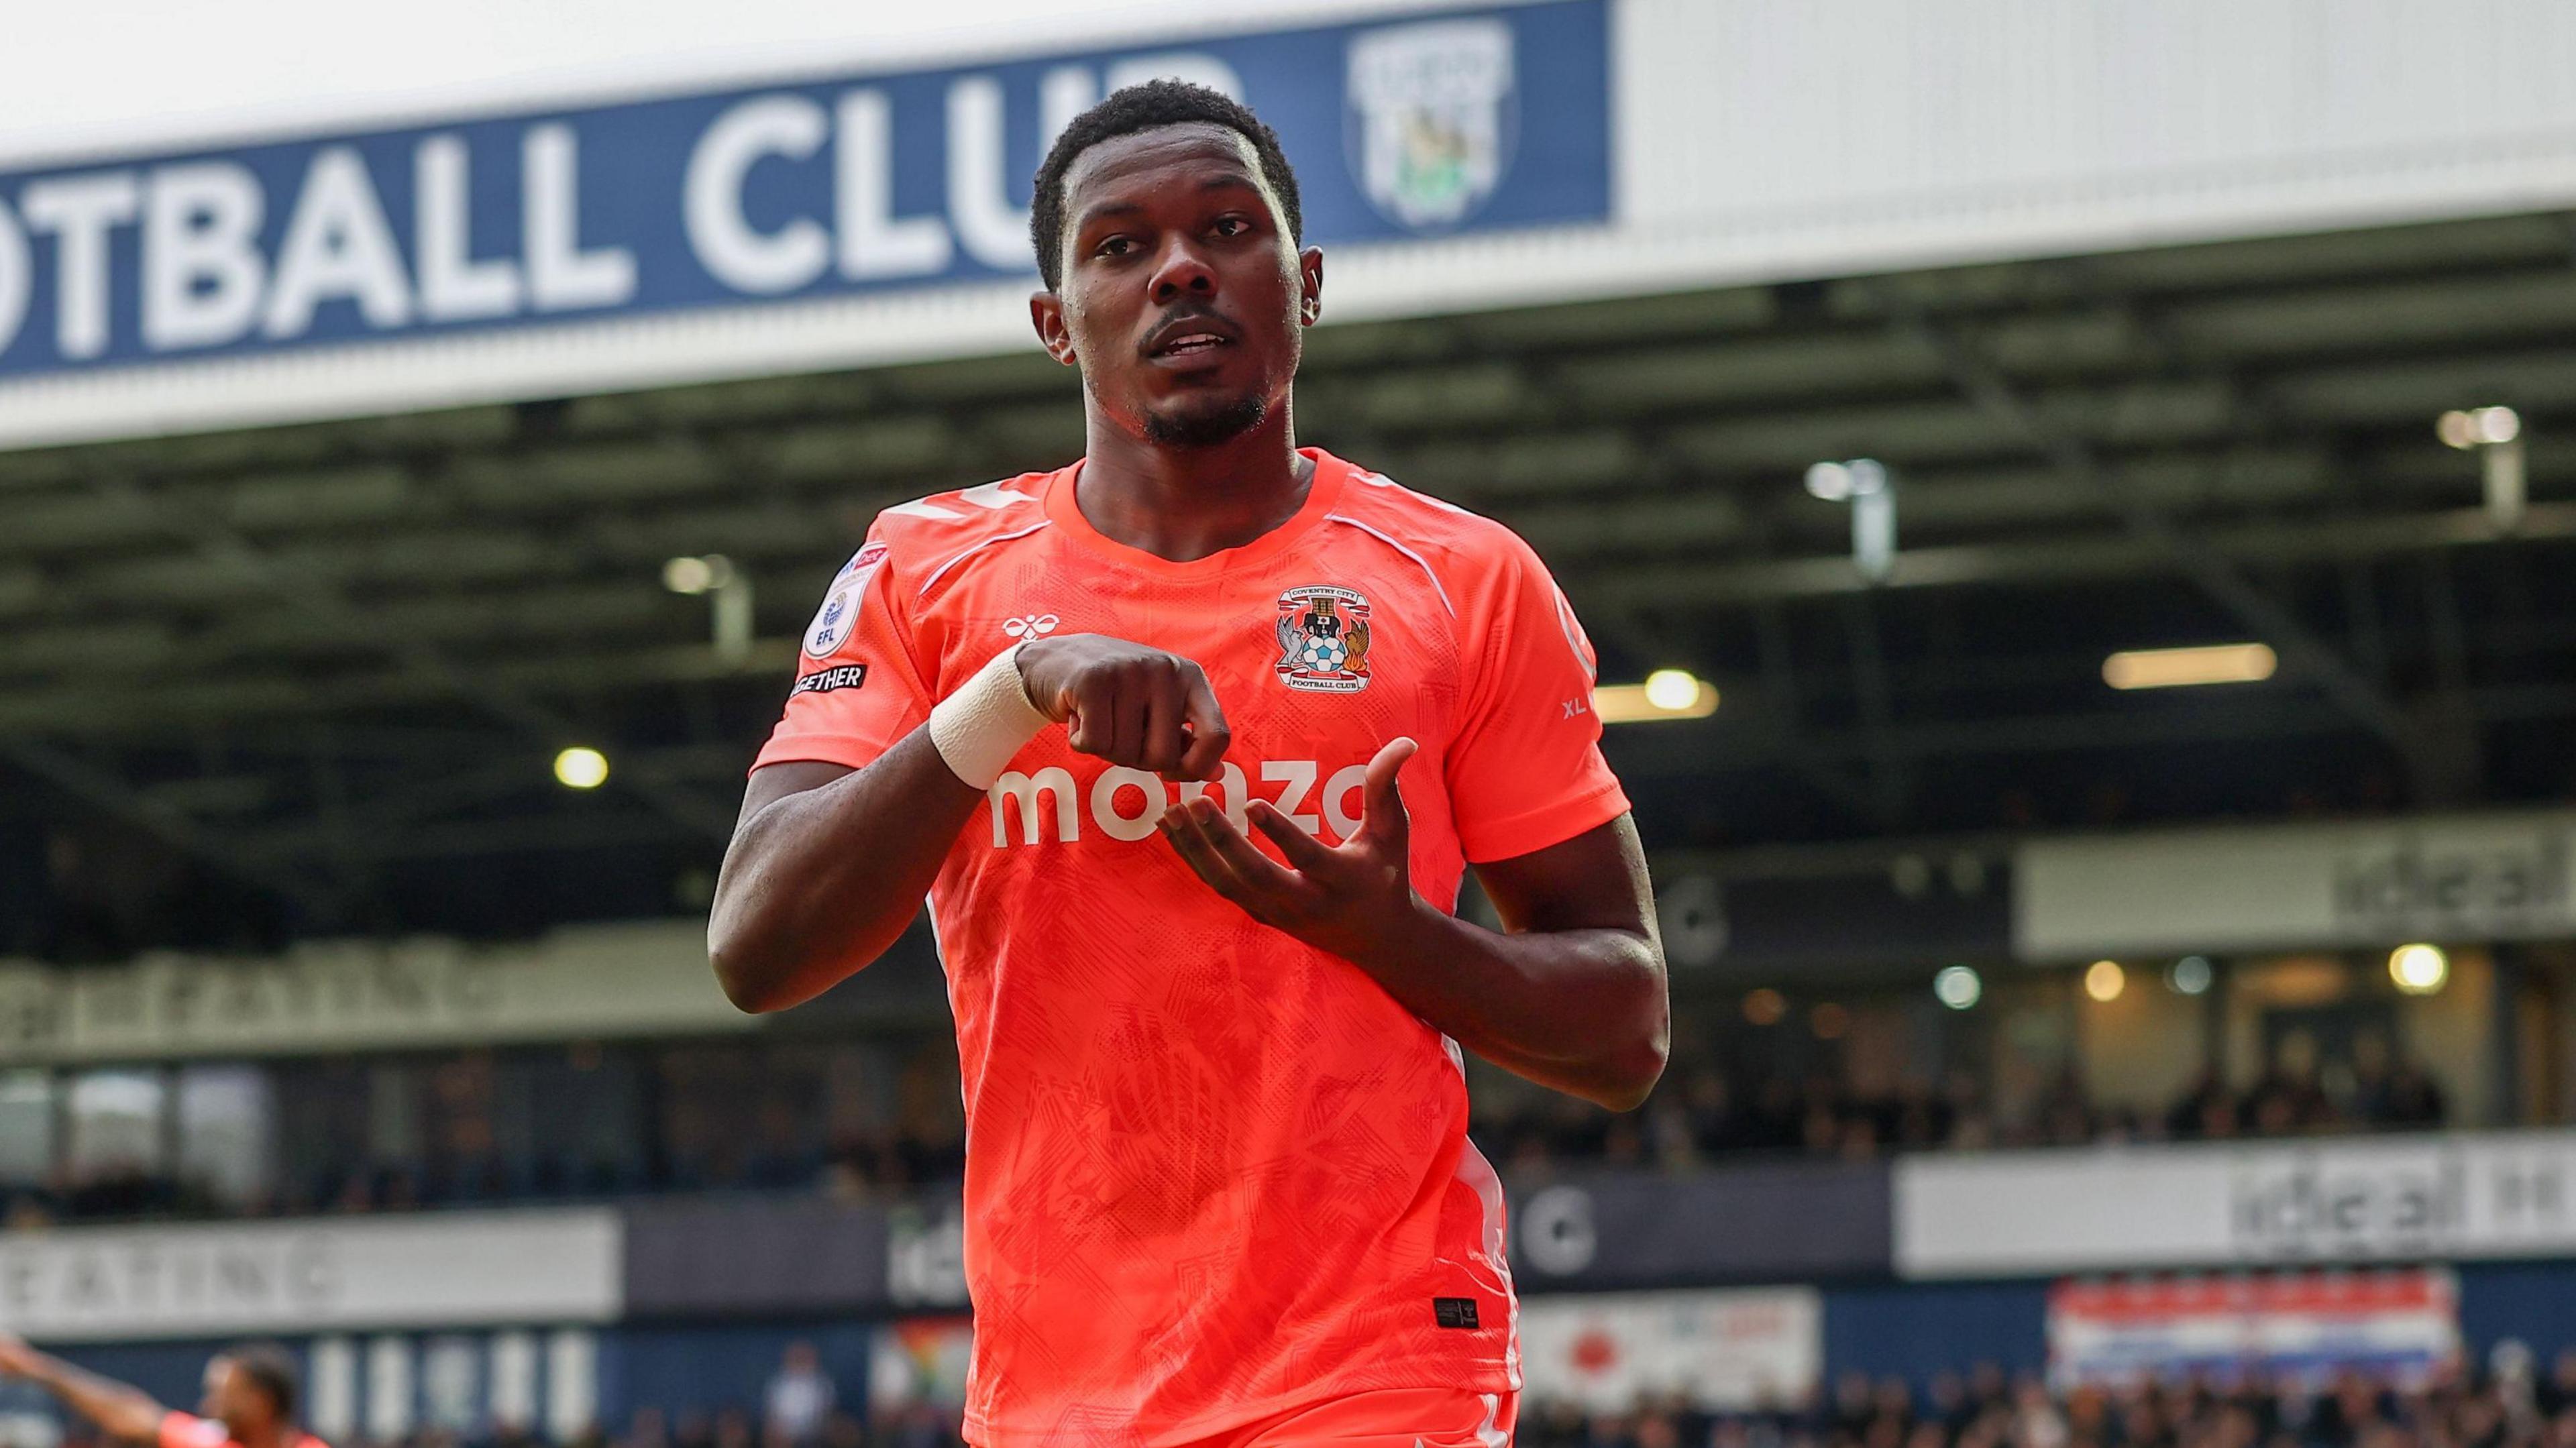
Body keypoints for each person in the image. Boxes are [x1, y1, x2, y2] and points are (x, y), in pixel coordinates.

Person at [710, 80, 1669, 1447]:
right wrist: (1011, 694)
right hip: (1053, 1391)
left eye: (1228, 226)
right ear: (1055, 322)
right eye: (1120, 246)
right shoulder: (926, 575)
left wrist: (1391, 935)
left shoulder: (1464, 579)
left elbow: (1627, 1028)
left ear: (1307, 283)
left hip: (1379, 1366)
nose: (1180, 268)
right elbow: (757, 943)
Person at [0, 1335, 324, 1448]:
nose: (208, 1407)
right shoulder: (213, 1441)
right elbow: (129, 1414)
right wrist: (34, 1367)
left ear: (260, 1402)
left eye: (223, 1398)